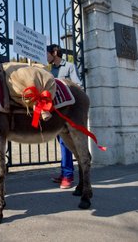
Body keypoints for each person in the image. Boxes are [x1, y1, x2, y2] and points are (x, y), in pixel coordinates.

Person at [46, 44, 82, 189]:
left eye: (47, 53)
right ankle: (64, 173)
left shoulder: (69, 66)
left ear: (55, 53)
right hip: (55, 112)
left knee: (65, 143)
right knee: (61, 142)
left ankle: (68, 175)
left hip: (68, 112)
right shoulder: (51, 70)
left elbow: (78, 85)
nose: (46, 57)